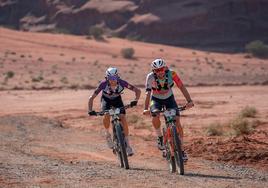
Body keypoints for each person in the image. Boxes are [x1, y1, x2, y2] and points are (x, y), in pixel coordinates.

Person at [143, 58, 194, 161]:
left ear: (165, 68)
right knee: (155, 115)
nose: (160, 72)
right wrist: (145, 108)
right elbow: (148, 93)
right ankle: (160, 138)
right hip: (156, 99)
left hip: (169, 98)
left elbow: (181, 86)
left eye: (161, 69)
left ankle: (182, 150)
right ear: (153, 71)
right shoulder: (150, 77)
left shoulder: (172, 74)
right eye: (157, 70)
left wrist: (189, 101)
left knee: (177, 120)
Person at [88, 67, 141, 156]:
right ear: (106, 78)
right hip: (106, 101)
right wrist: (90, 110)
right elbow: (91, 98)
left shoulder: (122, 83)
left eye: (114, 78)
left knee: (123, 118)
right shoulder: (103, 84)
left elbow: (137, 90)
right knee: (106, 114)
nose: (112, 80)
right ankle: (107, 135)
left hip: (117, 100)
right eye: (110, 78)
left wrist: (136, 100)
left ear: (117, 77)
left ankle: (128, 145)